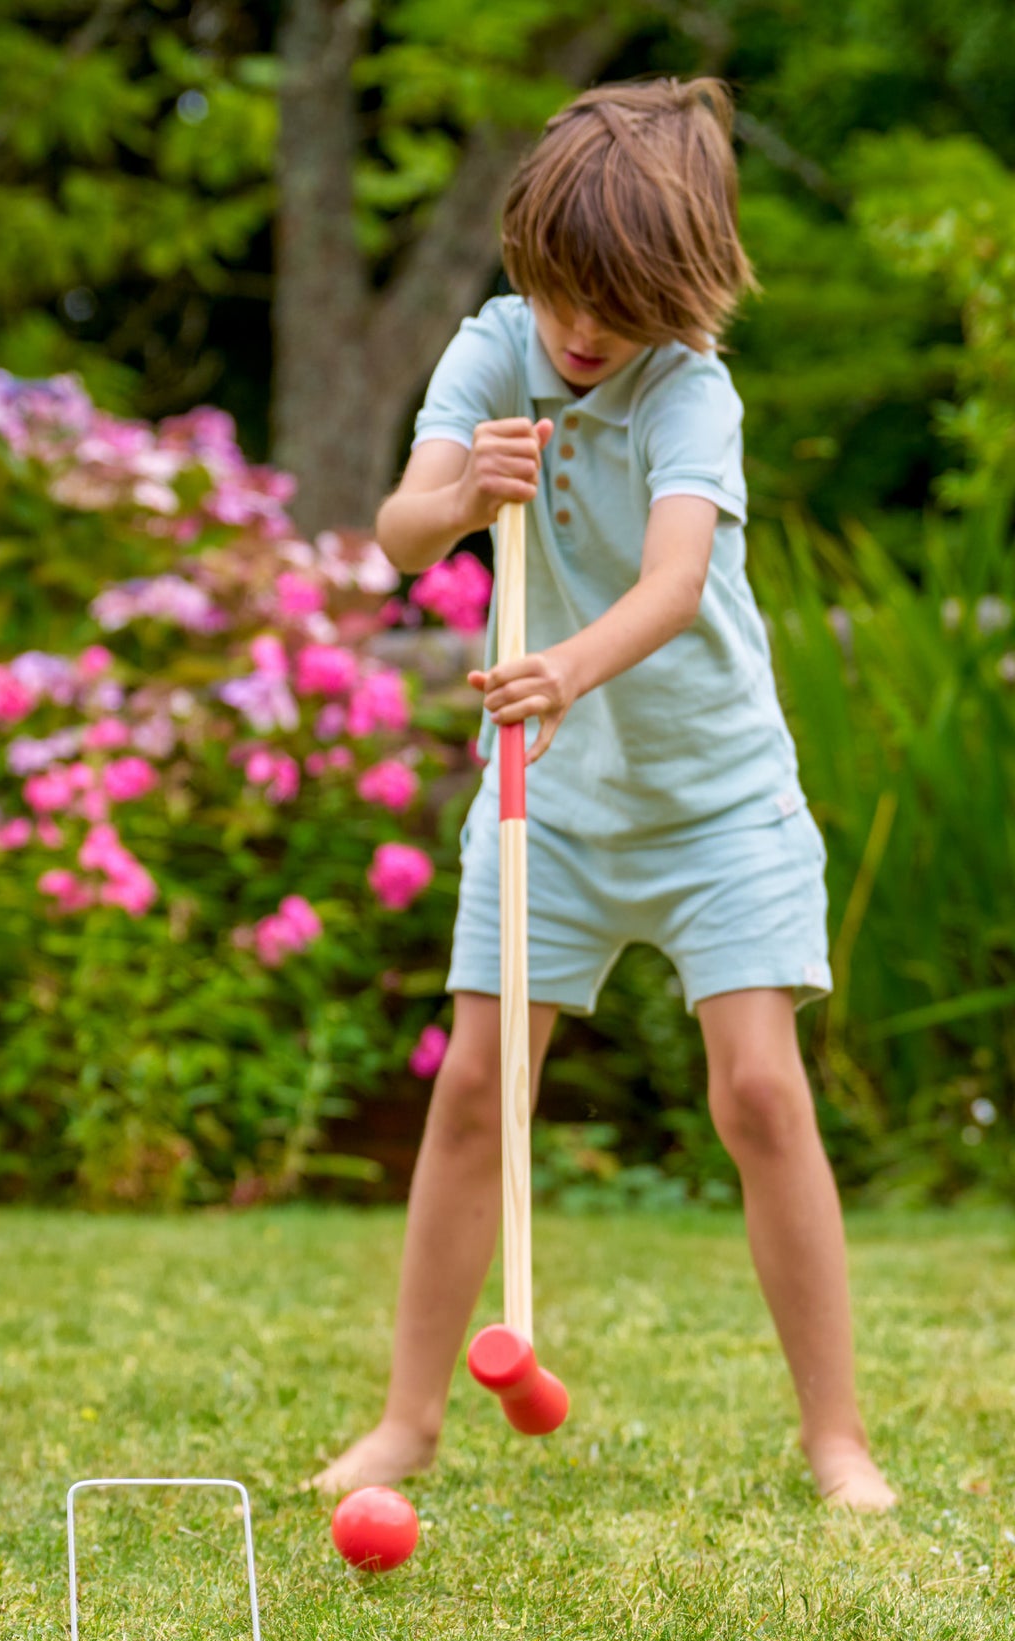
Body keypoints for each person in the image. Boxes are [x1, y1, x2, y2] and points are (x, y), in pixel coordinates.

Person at [313, 77, 895, 1511]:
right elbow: (396, 533)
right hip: (551, 805)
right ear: (529, 258)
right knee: (472, 1094)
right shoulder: (494, 351)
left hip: (717, 805)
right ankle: (408, 1422)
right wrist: (459, 500)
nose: (584, 333)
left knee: (761, 1093)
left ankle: (837, 1441)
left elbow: (677, 582)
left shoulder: (690, 388)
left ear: (683, 294)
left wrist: (566, 666)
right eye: (567, 292)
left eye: (620, 308)